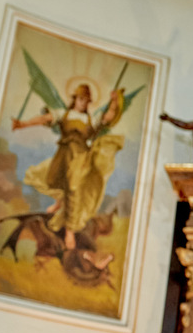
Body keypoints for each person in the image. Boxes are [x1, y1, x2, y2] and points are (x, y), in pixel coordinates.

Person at [12, 79, 124, 270]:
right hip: (63, 154)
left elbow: (108, 117)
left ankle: (70, 231)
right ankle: (60, 203)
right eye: (80, 99)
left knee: (73, 186)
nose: (82, 103)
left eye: (85, 100)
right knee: (51, 178)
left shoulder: (91, 119)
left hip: (80, 157)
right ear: (75, 99)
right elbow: (44, 119)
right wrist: (23, 124)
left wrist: (114, 101)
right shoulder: (63, 113)